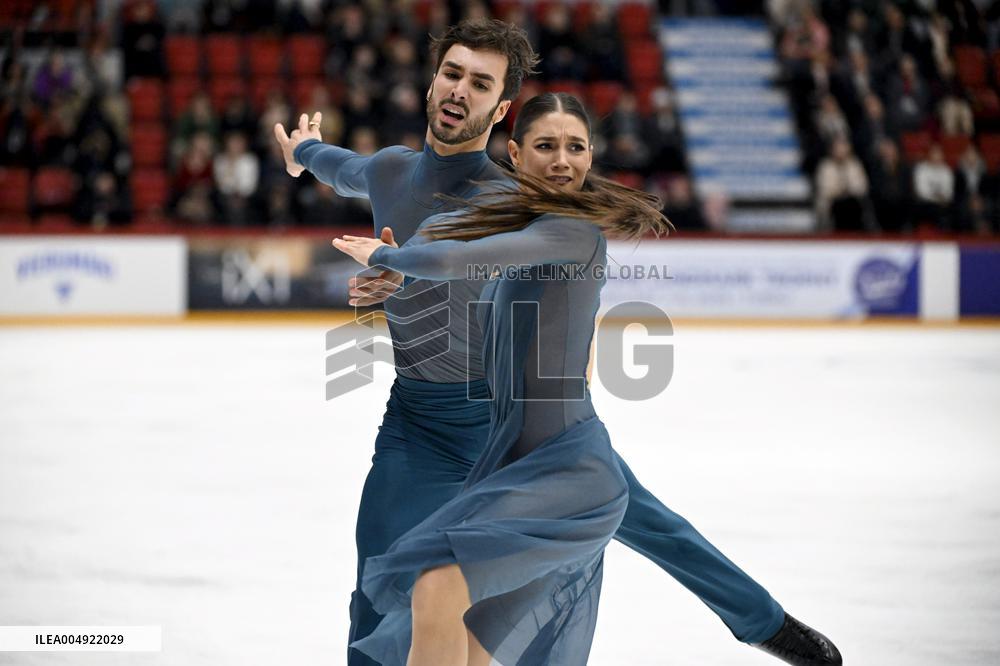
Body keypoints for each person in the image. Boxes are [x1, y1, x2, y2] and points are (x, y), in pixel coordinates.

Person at [274, 19, 840, 666]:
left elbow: (491, 276)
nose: (460, 90)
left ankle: (767, 624)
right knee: (378, 584)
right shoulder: (391, 171)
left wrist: (397, 271)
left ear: (502, 110)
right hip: (419, 426)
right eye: (453, 73)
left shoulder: (521, 201)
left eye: (480, 83)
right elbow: (340, 168)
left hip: (513, 425)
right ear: (433, 82)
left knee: (653, 525)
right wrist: (304, 154)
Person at [331, 92, 668, 665]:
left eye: (575, 148)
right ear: (515, 153)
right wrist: (397, 279)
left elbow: (457, 262)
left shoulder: (569, 233)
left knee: (447, 598)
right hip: (485, 448)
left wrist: (389, 262)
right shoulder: (509, 219)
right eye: (546, 146)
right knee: (438, 611)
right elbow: (448, 262)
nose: (562, 160)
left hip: (544, 456)